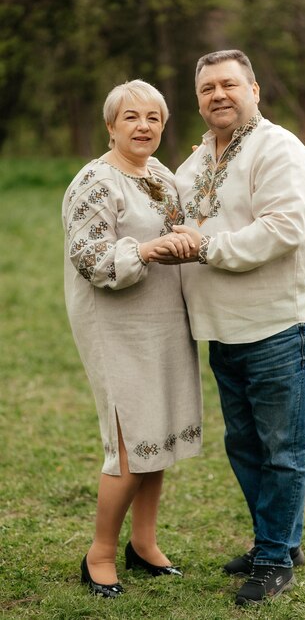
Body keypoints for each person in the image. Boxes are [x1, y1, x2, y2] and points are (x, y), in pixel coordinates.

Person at [149, 49, 305, 605]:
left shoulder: (279, 150)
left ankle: (274, 557)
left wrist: (205, 248)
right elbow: (178, 219)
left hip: (278, 323)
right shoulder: (196, 161)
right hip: (222, 329)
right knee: (245, 446)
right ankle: (281, 540)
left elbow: (283, 229)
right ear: (198, 100)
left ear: (254, 89)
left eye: (229, 84)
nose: (218, 95)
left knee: (282, 449)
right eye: (207, 89)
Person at [62, 80, 202, 598]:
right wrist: (145, 251)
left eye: (154, 119)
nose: (144, 127)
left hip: (165, 319)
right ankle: (99, 553)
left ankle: (143, 543)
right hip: (117, 324)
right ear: (110, 126)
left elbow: (187, 214)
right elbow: (90, 259)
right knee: (128, 443)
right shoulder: (95, 182)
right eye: (132, 118)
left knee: (157, 433)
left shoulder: (161, 174)